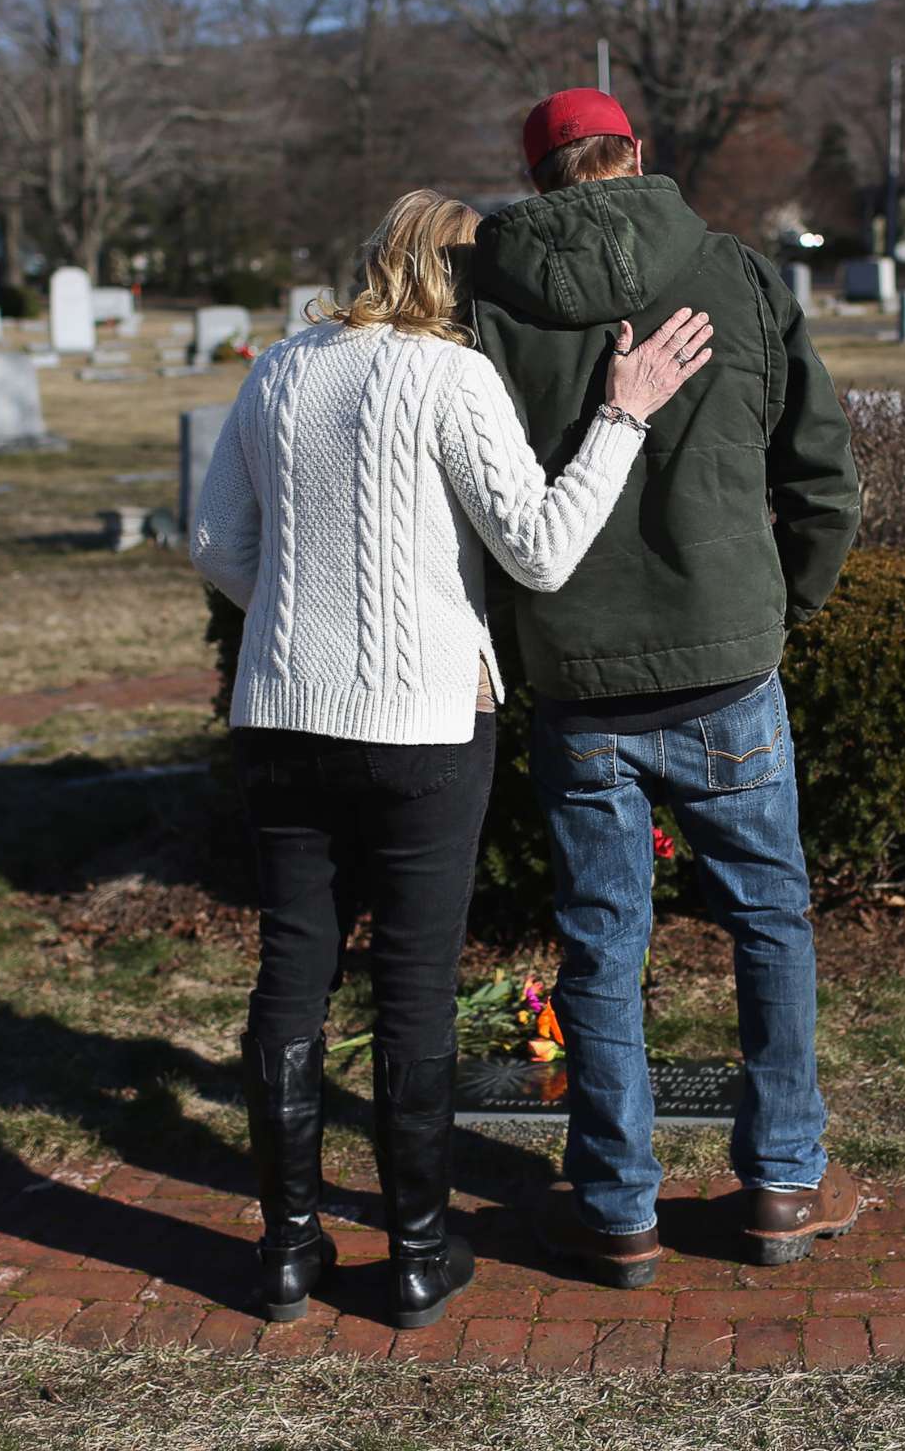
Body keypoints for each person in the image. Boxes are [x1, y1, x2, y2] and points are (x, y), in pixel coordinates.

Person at [188, 188, 714, 1329]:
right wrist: (622, 416)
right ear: (461, 280)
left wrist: (291, 612)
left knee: (291, 975)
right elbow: (538, 551)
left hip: (281, 714)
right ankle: (419, 1255)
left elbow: (217, 542)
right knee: (415, 991)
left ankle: (286, 1253)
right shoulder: (451, 374)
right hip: (426, 720)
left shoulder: (278, 367)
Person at [465, 90, 863, 1287]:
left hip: (578, 677)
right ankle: (785, 1183)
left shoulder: (489, 306)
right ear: (637, 154)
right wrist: (781, 604)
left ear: (537, 177)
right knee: (769, 920)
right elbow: (822, 469)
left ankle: (616, 1207)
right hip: (726, 665)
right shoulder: (735, 274)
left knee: (601, 945)